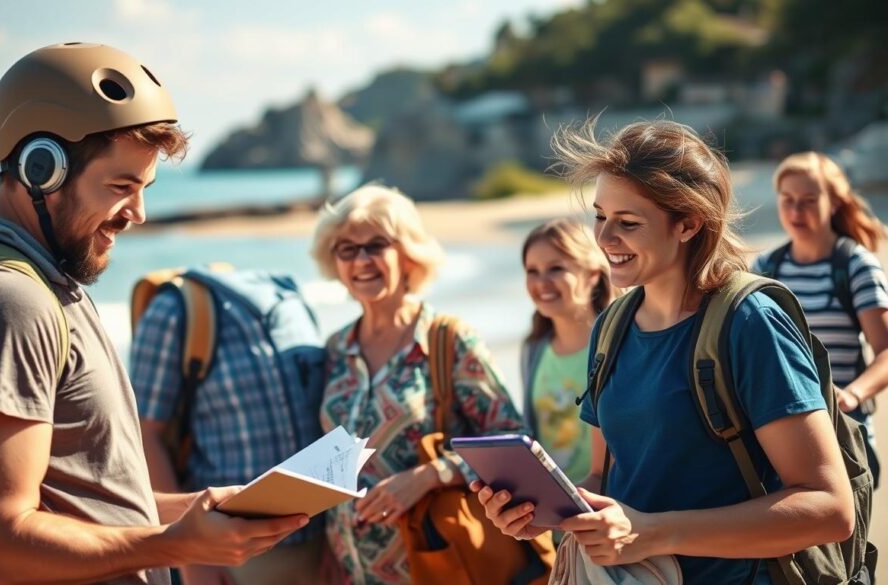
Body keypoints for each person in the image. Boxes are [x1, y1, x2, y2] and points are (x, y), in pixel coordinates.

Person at [0, 43, 305, 585]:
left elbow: (80, 501)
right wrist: (172, 545)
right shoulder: (6, 307)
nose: (137, 214)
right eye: (121, 187)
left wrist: (193, 512)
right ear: (41, 169)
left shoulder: (43, 283)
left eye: (144, 189)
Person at [475, 121, 854, 584]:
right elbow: (604, 478)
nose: (605, 239)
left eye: (628, 223)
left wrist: (654, 533)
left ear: (688, 224)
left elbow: (829, 509)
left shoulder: (749, 324)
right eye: (599, 216)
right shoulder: (610, 328)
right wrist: (552, 513)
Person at [310, 184, 526, 584]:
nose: (362, 260)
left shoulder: (448, 340)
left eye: (377, 245)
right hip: (350, 568)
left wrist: (428, 476)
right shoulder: (337, 347)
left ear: (408, 255)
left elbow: (512, 443)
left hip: (437, 565)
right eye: (347, 249)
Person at [130, 268, 330, 585]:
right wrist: (191, 557)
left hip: (319, 544)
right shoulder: (173, 310)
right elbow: (144, 432)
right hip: (231, 555)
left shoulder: (292, 299)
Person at [755, 152, 888, 487]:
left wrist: (852, 395)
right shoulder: (765, 270)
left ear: (835, 203)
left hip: (844, 433)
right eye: (788, 200)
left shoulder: (855, 266)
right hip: (779, 440)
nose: (796, 211)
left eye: (809, 201)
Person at [520, 218, 617, 488]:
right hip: (552, 511)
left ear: (593, 274)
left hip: (609, 509)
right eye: (532, 271)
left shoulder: (618, 344)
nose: (542, 283)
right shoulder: (533, 349)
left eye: (556, 269)